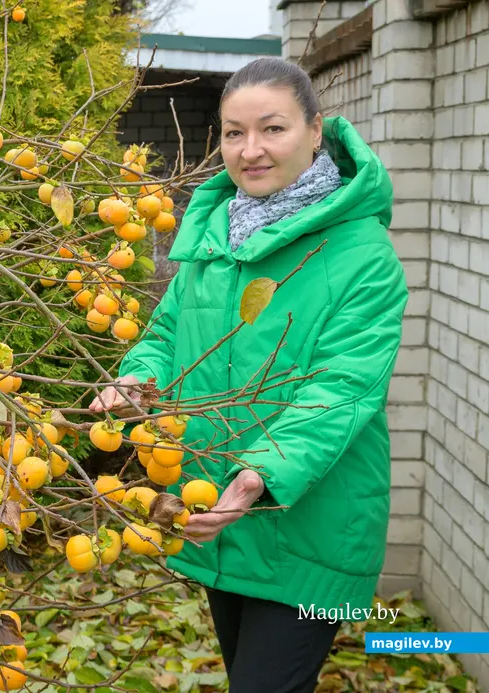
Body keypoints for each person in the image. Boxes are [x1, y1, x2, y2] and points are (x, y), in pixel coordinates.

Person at [90, 57, 408, 692]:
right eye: (234, 133)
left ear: (316, 132)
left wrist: (261, 475)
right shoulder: (215, 240)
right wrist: (138, 379)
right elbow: (165, 335)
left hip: (312, 525)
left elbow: (343, 389)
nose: (251, 150)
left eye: (272, 128)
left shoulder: (363, 254)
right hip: (220, 514)